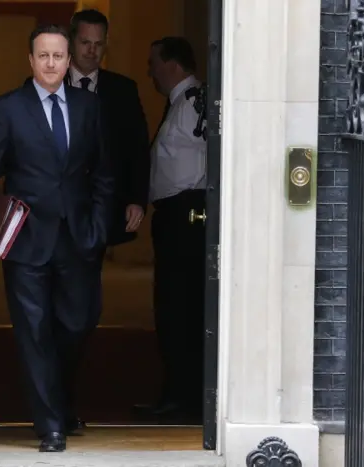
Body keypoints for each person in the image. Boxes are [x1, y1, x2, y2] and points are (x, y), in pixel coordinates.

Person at [0, 24, 114, 453]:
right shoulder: (7, 108)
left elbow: (104, 173)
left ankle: (60, 403)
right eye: (43, 56)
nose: (51, 63)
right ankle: (50, 425)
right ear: (30, 61)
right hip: (25, 240)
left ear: (69, 62)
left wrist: (99, 227)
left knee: (77, 323)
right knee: (33, 330)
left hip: (78, 237)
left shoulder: (88, 107)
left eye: (58, 57)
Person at [136, 36, 207, 422]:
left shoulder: (195, 102)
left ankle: (183, 398)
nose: (150, 71)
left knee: (178, 310)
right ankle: (177, 393)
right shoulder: (180, 104)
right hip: (172, 216)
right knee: (170, 308)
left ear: (173, 65)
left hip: (186, 216)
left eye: (154, 63)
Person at [67, 9, 150, 247]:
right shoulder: (49, 83)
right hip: (54, 208)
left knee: (89, 278)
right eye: (85, 42)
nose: (92, 51)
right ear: (71, 42)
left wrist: (136, 199)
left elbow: (137, 149)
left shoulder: (123, 90)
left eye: (98, 44)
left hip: (103, 207)